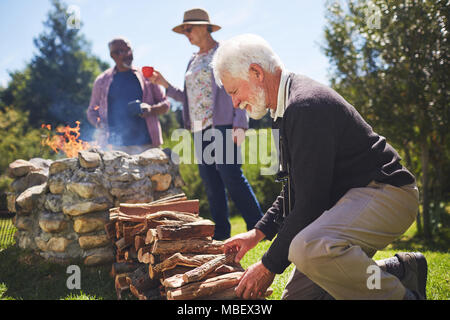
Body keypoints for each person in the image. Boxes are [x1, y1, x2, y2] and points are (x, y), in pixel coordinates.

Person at [211, 33, 428, 300]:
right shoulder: (285, 107)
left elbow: (310, 203)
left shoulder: (305, 106)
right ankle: (401, 271)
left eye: (234, 91)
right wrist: (257, 233)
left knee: (307, 248)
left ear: (256, 72)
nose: (234, 103)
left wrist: (268, 265)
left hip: (388, 193)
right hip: (351, 200)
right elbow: (296, 187)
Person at [149, 9, 263, 240]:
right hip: (199, 128)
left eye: (189, 29)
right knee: (211, 181)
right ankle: (221, 233)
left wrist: (240, 122)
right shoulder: (193, 60)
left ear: (204, 27)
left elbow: (240, 85)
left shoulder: (224, 53)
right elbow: (189, 98)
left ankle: (259, 228)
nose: (186, 34)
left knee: (231, 175)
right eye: (184, 31)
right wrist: (164, 84)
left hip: (222, 124)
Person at [87, 37, 170, 155]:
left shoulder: (146, 76)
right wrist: (100, 124)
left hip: (148, 146)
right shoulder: (102, 81)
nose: (127, 54)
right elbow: (91, 112)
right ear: (112, 55)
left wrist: (150, 109)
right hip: (114, 148)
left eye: (129, 50)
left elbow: (166, 104)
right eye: (121, 51)